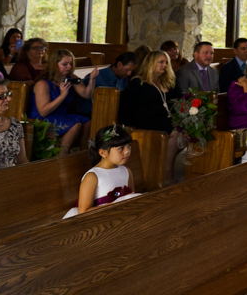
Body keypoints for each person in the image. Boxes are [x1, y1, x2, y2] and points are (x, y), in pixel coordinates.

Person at [119, 50, 180, 186]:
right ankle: (167, 173)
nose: (164, 65)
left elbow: (178, 103)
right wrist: (129, 128)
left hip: (165, 122)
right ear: (151, 64)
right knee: (175, 134)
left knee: (186, 130)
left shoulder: (168, 83)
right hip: (146, 124)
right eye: (161, 62)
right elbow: (126, 108)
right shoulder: (138, 83)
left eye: (166, 62)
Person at [30, 49, 98, 156]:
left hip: (61, 115)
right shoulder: (43, 84)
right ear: (54, 65)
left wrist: (92, 79)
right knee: (76, 125)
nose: (69, 67)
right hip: (43, 118)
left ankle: (83, 152)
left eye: (71, 64)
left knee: (87, 122)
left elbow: (86, 94)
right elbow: (43, 111)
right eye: (65, 64)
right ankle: (61, 155)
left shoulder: (70, 78)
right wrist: (62, 96)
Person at [64, 125, 139, 217]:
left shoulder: (127, 171)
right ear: (103, 153)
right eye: (121, 148)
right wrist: (116, 204)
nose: (127, 151)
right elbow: (83, 212)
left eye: (129, 146)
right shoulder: (93, 176)